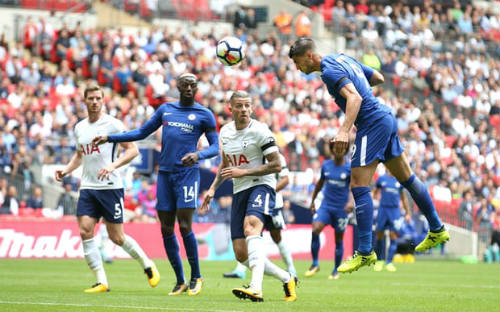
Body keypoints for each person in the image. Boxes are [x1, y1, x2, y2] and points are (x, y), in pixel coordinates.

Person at [288, 37, 450, 273]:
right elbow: (377, 77)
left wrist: (344, 130)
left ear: (309, 56)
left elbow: (355, 97)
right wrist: (359, 90)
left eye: (298, 62)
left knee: (358, 184)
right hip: (385, 116)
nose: (297, 68)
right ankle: (437, 228)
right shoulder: (342, 58)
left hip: (372, 123)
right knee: (407, 178)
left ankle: (365, 251)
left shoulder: (329, 71)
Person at [92, 73, 219, 296]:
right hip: (165, 175)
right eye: (185, 85)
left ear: (197, 88)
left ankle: (196, 277)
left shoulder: (204, 114)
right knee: (166, 227)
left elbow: (216, 147)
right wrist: (110, 138)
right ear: (178, 87)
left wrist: (198, 155)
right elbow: (141, 132)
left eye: (193, 85)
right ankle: (180, 281)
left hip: (187, 175)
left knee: (185, 225)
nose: (189, 88)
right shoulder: (165, 110)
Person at [55, 85, 160, 293]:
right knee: (85, 230)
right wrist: (66, 170)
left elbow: (133, 150)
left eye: (98, 98)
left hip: (110, 187)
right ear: (84, 101)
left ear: (103, 101)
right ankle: (101, 281)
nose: (94, 102)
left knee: (117, 237)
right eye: (90, 98)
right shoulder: (80, 128)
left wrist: (112, 166)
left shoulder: (113, 125)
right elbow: (79, 155)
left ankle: (148, 264)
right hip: (88, 187)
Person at [200, 91, 297, 302]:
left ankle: (255, 288)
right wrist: (213, 188)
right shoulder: (225, 132)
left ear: (251, 108)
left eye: (247, 105)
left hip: (261, 185)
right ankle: (286, 277)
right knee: (241, 254)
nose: (244, 109)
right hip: (239, 190)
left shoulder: (260, 131)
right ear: (230, 108)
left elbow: (276, 164)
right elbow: (226, 166)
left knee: (251, 226)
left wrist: (243, 172)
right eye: (239, 106)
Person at [223, 153, 297, 279]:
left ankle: (290, 268)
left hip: (273, 202)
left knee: (276, 236)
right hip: (253, 198)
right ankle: (240, 269)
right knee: (250, 232)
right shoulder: (251, 154)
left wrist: (269, 192)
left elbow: (285, 179)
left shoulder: (277, 156)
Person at [306, 142, 352, 280]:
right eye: (336, 147)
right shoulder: (326, 165)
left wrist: (351, 202)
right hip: (326, 205)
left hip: (341, 208)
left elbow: (354, 187)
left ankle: (336, 270)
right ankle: (315, 263)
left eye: (342, 147)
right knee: (315, 229)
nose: (339, 150)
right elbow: (320, 183)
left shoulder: (350, 168)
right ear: (332, 149)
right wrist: (313, 200)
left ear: (346, 150)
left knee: (338, 239)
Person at [373, 171, 411, 272]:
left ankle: (389, 262)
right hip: (382, 210)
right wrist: (371, 204)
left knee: (393, 236)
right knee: (379, 236)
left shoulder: (399, 180)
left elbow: (404, 198)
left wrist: (408, 213)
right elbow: (374, 191)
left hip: (395, 211)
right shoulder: (381, 179)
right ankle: (379, 261)